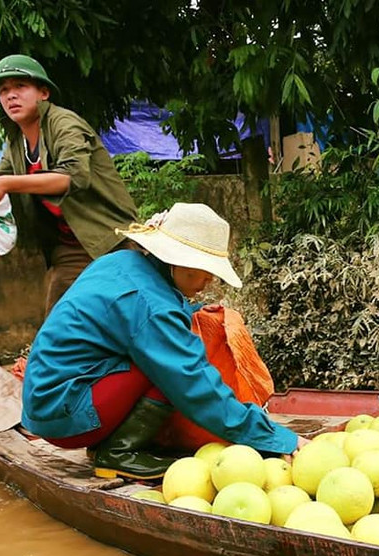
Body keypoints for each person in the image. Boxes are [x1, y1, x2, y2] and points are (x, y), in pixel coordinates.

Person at [21, 202, 310, 480]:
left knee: (170, 350)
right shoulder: (151, 307)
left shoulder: (121, 262)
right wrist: (276, 438)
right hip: (64, 413)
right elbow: (195, 385)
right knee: (171, 366)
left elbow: (145, 313)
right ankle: (118, 452)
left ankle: (111, 443)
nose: (209, 281)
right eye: (206, 271)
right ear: (180, 262)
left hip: (46, 398)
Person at [0, 54, 139, 317]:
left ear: (44, 93)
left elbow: (74, 176)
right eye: (3, 90)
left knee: (127, 319)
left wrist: (4, 182)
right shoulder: (15, 140)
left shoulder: (64, 123)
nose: (10, 95)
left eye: (20, 86)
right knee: (59, 326)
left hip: (109, 239)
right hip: (68, 248)